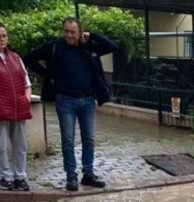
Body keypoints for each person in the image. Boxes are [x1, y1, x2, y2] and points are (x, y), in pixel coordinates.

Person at [24, 17, 117, 192]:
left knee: (89, 139)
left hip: (87, 99)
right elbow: (29, 59)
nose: (69, 35)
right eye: (66, 31)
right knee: (68, 140)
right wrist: (47, 74)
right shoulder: (55, 46)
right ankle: (71, 176)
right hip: (65, 100)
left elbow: (112, 46)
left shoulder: (88, 46)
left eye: (73, 32)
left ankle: (88, 174)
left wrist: (93, 36)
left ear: (80, 32)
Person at [0, 24, 32, 192]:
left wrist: (26, 100)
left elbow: (27, 83)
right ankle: (5, 177)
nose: (2, 39)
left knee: (20, 145)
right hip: (1, 110)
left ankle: (20, 177)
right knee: (1, 146)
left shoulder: (15, 57)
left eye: (4, 35)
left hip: (18, 108)